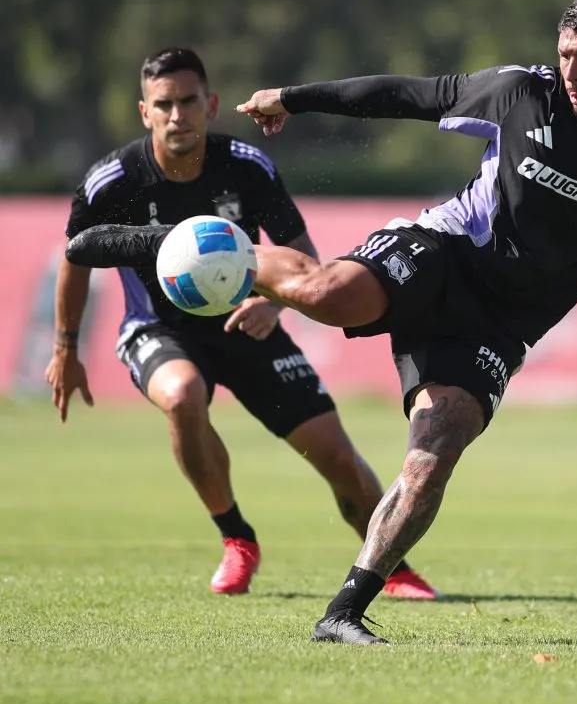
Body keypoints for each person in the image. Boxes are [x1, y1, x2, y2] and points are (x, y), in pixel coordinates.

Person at [65, 0, 577, 644]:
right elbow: (406, 95)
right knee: (323, 296)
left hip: (500, 324)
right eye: (565, 53)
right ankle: (176, 244)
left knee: (433, 453)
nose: (571, 69)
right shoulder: (518, 91)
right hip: (444, 249)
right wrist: (296, 95)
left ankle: (344, 611)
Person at [45, 47, 438, 601]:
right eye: (164, 105)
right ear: (144, 112)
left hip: (248, 324)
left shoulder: (247, 167)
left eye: (188, 102)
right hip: (159, 330)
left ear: (210, 104)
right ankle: (237, 539)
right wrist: (65, 347)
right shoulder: (114, 181)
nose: (177, 115)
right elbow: (75, 257)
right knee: (182, 395)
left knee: (336, 455)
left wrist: (276, 305)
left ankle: (391, 569)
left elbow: (302, 255)